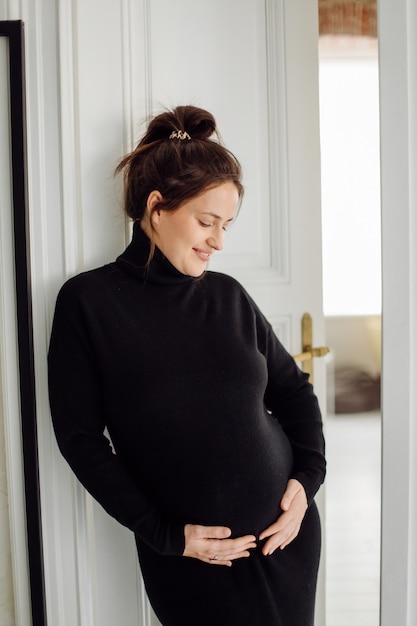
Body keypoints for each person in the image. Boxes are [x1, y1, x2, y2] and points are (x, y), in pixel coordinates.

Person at [48, 105, 326, 626]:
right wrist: (165, 536)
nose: (218, 241)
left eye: (226, 225)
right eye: (206, 221)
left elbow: (294, 393)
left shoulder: (228, 297)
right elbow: (79, 438)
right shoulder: (89, 302)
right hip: (194, 563)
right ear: (157, 208)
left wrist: (307, 484)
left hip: (286, 543)